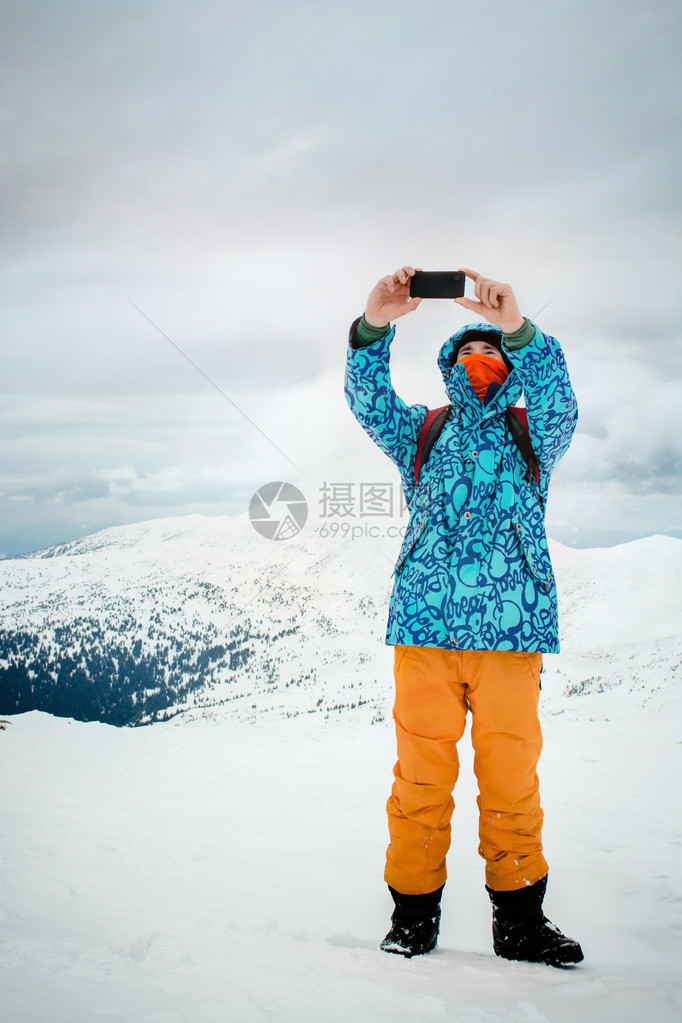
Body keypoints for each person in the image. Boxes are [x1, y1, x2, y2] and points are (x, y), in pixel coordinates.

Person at [344, 265, 583, 966]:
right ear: (449, 366)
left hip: (510, 639)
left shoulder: (534, 434)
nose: (480, 363)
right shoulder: (423, 429)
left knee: (512, 779)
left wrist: (521, 328)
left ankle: (519, 923)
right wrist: (373, 325)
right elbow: (367, 399)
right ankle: (412, 917)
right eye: (468, 355)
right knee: (420, 778)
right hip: (425, 631)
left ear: (509, 368)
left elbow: (561, 401)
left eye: (494, 355)